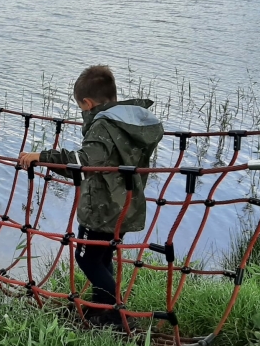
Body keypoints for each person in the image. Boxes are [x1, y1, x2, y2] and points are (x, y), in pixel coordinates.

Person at [17, 65, 163, 329]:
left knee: (86, 258)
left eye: (81, 108)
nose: (83, 113)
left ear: (87, 102)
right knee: (102, 257)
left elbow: (83, 163)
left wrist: (42, 156)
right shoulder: (130, 122)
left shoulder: (103, 126)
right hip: (124, 204)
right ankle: (100, 308)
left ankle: (116, 315)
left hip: (101, 208)